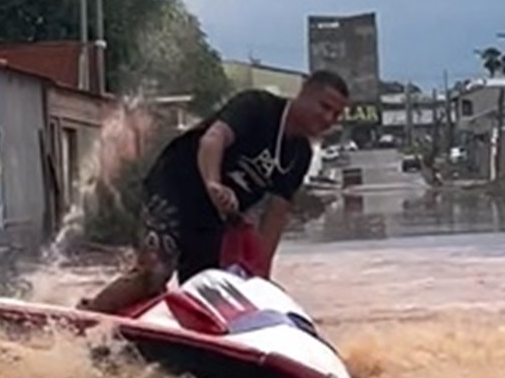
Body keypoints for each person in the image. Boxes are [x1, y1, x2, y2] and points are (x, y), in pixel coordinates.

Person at [82, 70, 349, 314]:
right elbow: (214, 138)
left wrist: (261, 277)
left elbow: (276, 215)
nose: (327, 118)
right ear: (304, 94)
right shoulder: (257, 106)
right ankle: (88, 316)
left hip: (214, 216)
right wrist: (213, 182)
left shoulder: (300, 154)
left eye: (335, 115)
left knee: (208, 290)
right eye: (324, 107)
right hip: (174, 188)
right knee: (154, 275)